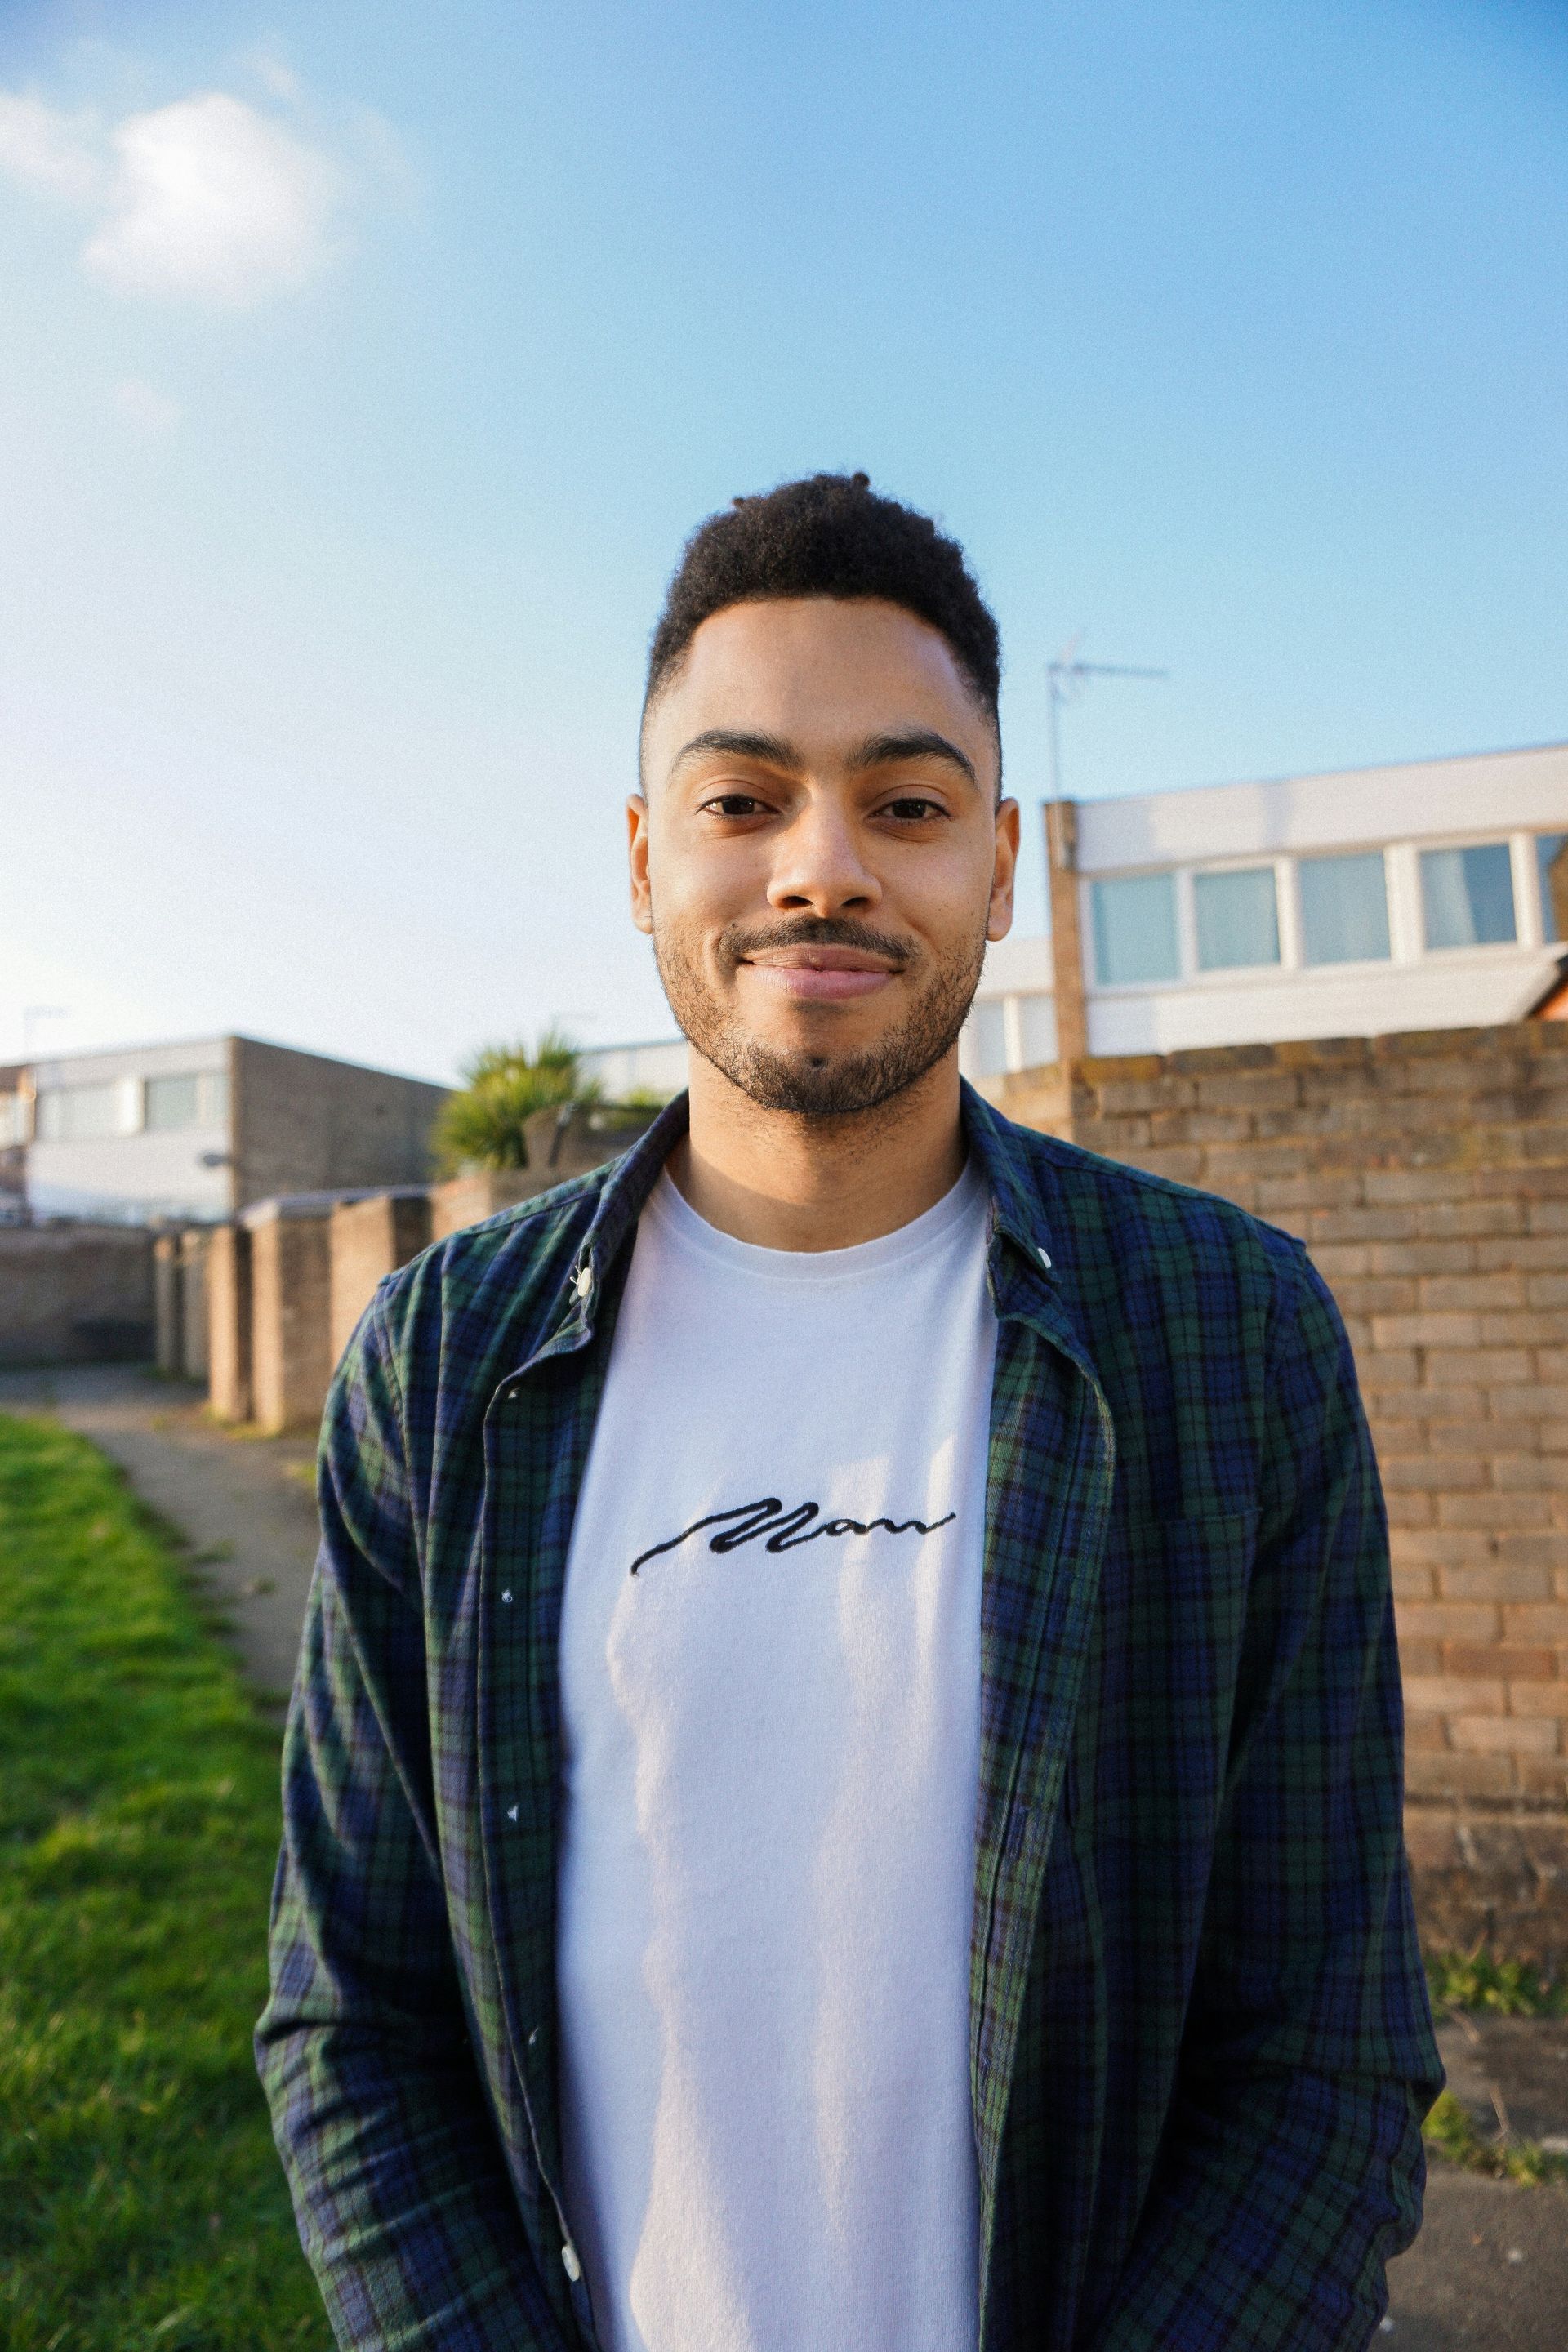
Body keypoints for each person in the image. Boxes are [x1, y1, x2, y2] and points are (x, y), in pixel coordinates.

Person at [257, 471, 1441, 2352]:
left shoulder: (1229, 1335)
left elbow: (1324, 2058)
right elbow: (357, 2018)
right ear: (645, 856)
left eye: (906, 803)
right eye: (744, 801)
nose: (824, 865)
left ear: (997, 857)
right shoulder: (442, 1360)